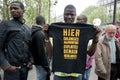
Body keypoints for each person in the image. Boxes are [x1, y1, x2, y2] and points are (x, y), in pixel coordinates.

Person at [44, 4, 101, 80]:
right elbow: (51, 53)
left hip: (76, 74)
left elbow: (90, 53)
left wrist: (95, 39)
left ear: (75, 15)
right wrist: (46, 36)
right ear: (63, 14)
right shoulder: (57, 28)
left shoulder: (83, 30)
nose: (69, 17)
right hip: (59, 74)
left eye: (72, 14)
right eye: (67, 14)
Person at [0, 1, 33, 80]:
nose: (12, 10)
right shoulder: (5, 24)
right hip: (12, 70)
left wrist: (31, 60)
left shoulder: (27, 28)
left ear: (23, 11)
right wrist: (5, 65)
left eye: (16, 8)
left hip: (25, 69)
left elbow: (29, 46)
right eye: (11, 9)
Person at [76, 15, 100, 80]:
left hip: (87, 66)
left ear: (85, 22)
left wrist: (95, 37)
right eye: (78, 20)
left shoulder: (90, 32)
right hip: (76, 66)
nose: (79, 22)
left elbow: (91, 53)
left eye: (81, 20)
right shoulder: (74, 31)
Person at [31, 15, 52, 80]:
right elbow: (42, 52)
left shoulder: (34, 32)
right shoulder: (39, 34)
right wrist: (47, 67)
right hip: (41, 64)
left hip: (37, 62)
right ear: (44, 22)